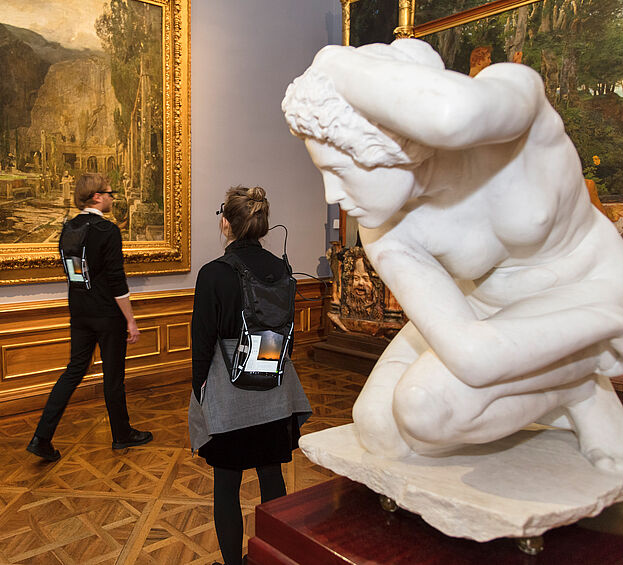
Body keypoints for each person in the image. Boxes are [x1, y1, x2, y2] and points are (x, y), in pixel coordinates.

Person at [281, 38, 623, 471]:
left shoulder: (514, 108)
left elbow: (450, 116)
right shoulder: (384, 229)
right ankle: (577, 378)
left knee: (423, 410)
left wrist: (330, 61)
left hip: (586, 286)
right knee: (378, 429)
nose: (333, 194)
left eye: (340, 172)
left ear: (396, 145)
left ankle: (583, 382)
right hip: (483, 309)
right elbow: (471, 355)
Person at [189, 186, 311, 565]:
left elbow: (202, 341)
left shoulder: (213, 274)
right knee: (271, 474)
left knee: (226, 485)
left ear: (227, 224)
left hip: (229, 391)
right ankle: (274, 557)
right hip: (275, 388)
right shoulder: (282, 269)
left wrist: (201, 392)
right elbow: (288, 332)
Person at [27, 173, 152, 461]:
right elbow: (116, 280)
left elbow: (73, 274)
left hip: (79, 311)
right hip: (108, 314)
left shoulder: (68, 228)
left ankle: (41, 437)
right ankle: (122, 435)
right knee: (113, 376)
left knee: (73, 372)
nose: (112, 197)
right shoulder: (107, 231)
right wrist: (131, 320)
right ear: (96, 196)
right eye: (110, 193)